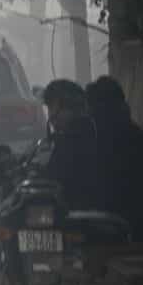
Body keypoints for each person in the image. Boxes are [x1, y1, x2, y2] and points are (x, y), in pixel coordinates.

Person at [87, 76, 143, 241]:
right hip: (125, 227)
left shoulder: (121, 141)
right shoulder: (138, 138)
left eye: (93, 111)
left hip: (124, 230)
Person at [41, 79, 104, 213]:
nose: (51, 117)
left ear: (68, 108)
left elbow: (52, 180)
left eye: (52, 107)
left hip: (76, 215)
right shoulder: (93, 131)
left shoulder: (71, 140)